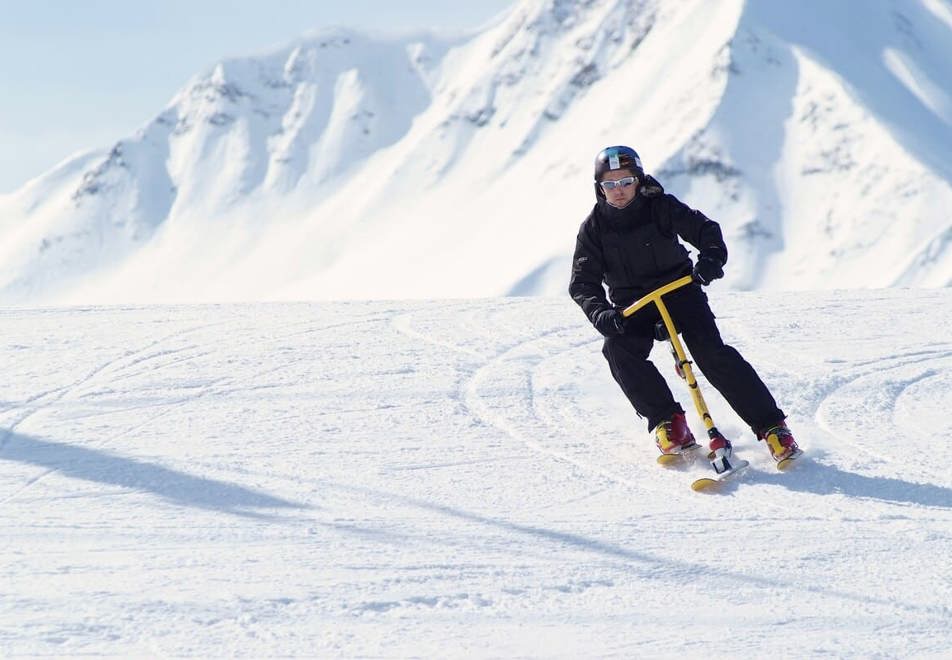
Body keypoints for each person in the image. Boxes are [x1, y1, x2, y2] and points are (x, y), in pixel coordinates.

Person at [568, 145, 799, 471]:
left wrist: (710, 260)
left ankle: (772, 427)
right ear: (598, 188)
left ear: (639, 180)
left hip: (680, 292)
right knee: (619, 351)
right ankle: (668, 421)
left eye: (626, 182)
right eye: (610, 184)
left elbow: (706, 231)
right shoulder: (593, 230)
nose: (618, 191)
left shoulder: (660, 207)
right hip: (634, 306)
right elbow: (583, 283)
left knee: (712, 354)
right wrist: (602, 314)